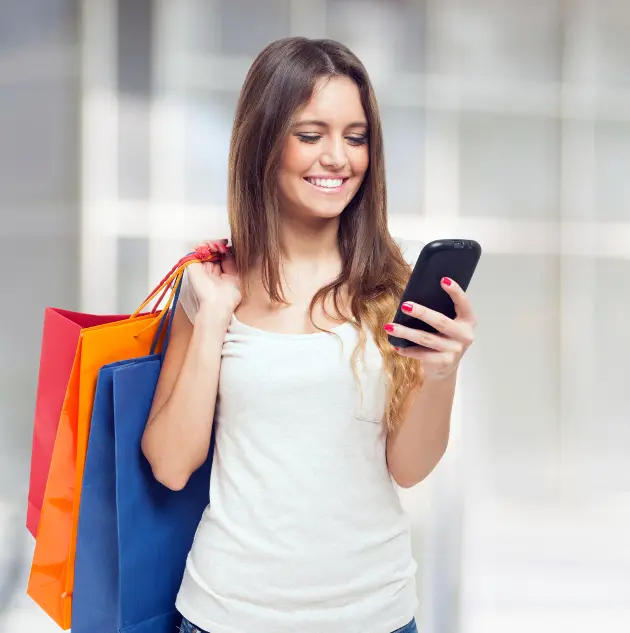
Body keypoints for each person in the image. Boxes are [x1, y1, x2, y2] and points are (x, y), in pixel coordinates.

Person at [140, 37, 478, 633]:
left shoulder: (390, 289)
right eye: (310, 135)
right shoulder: (213, 284)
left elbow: (408, 467)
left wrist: (440, 374)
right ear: (264, 142)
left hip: (376, 615)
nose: (338, 158)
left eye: (355, 137)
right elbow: (169, 464)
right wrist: (215, 316)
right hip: (227, 615)